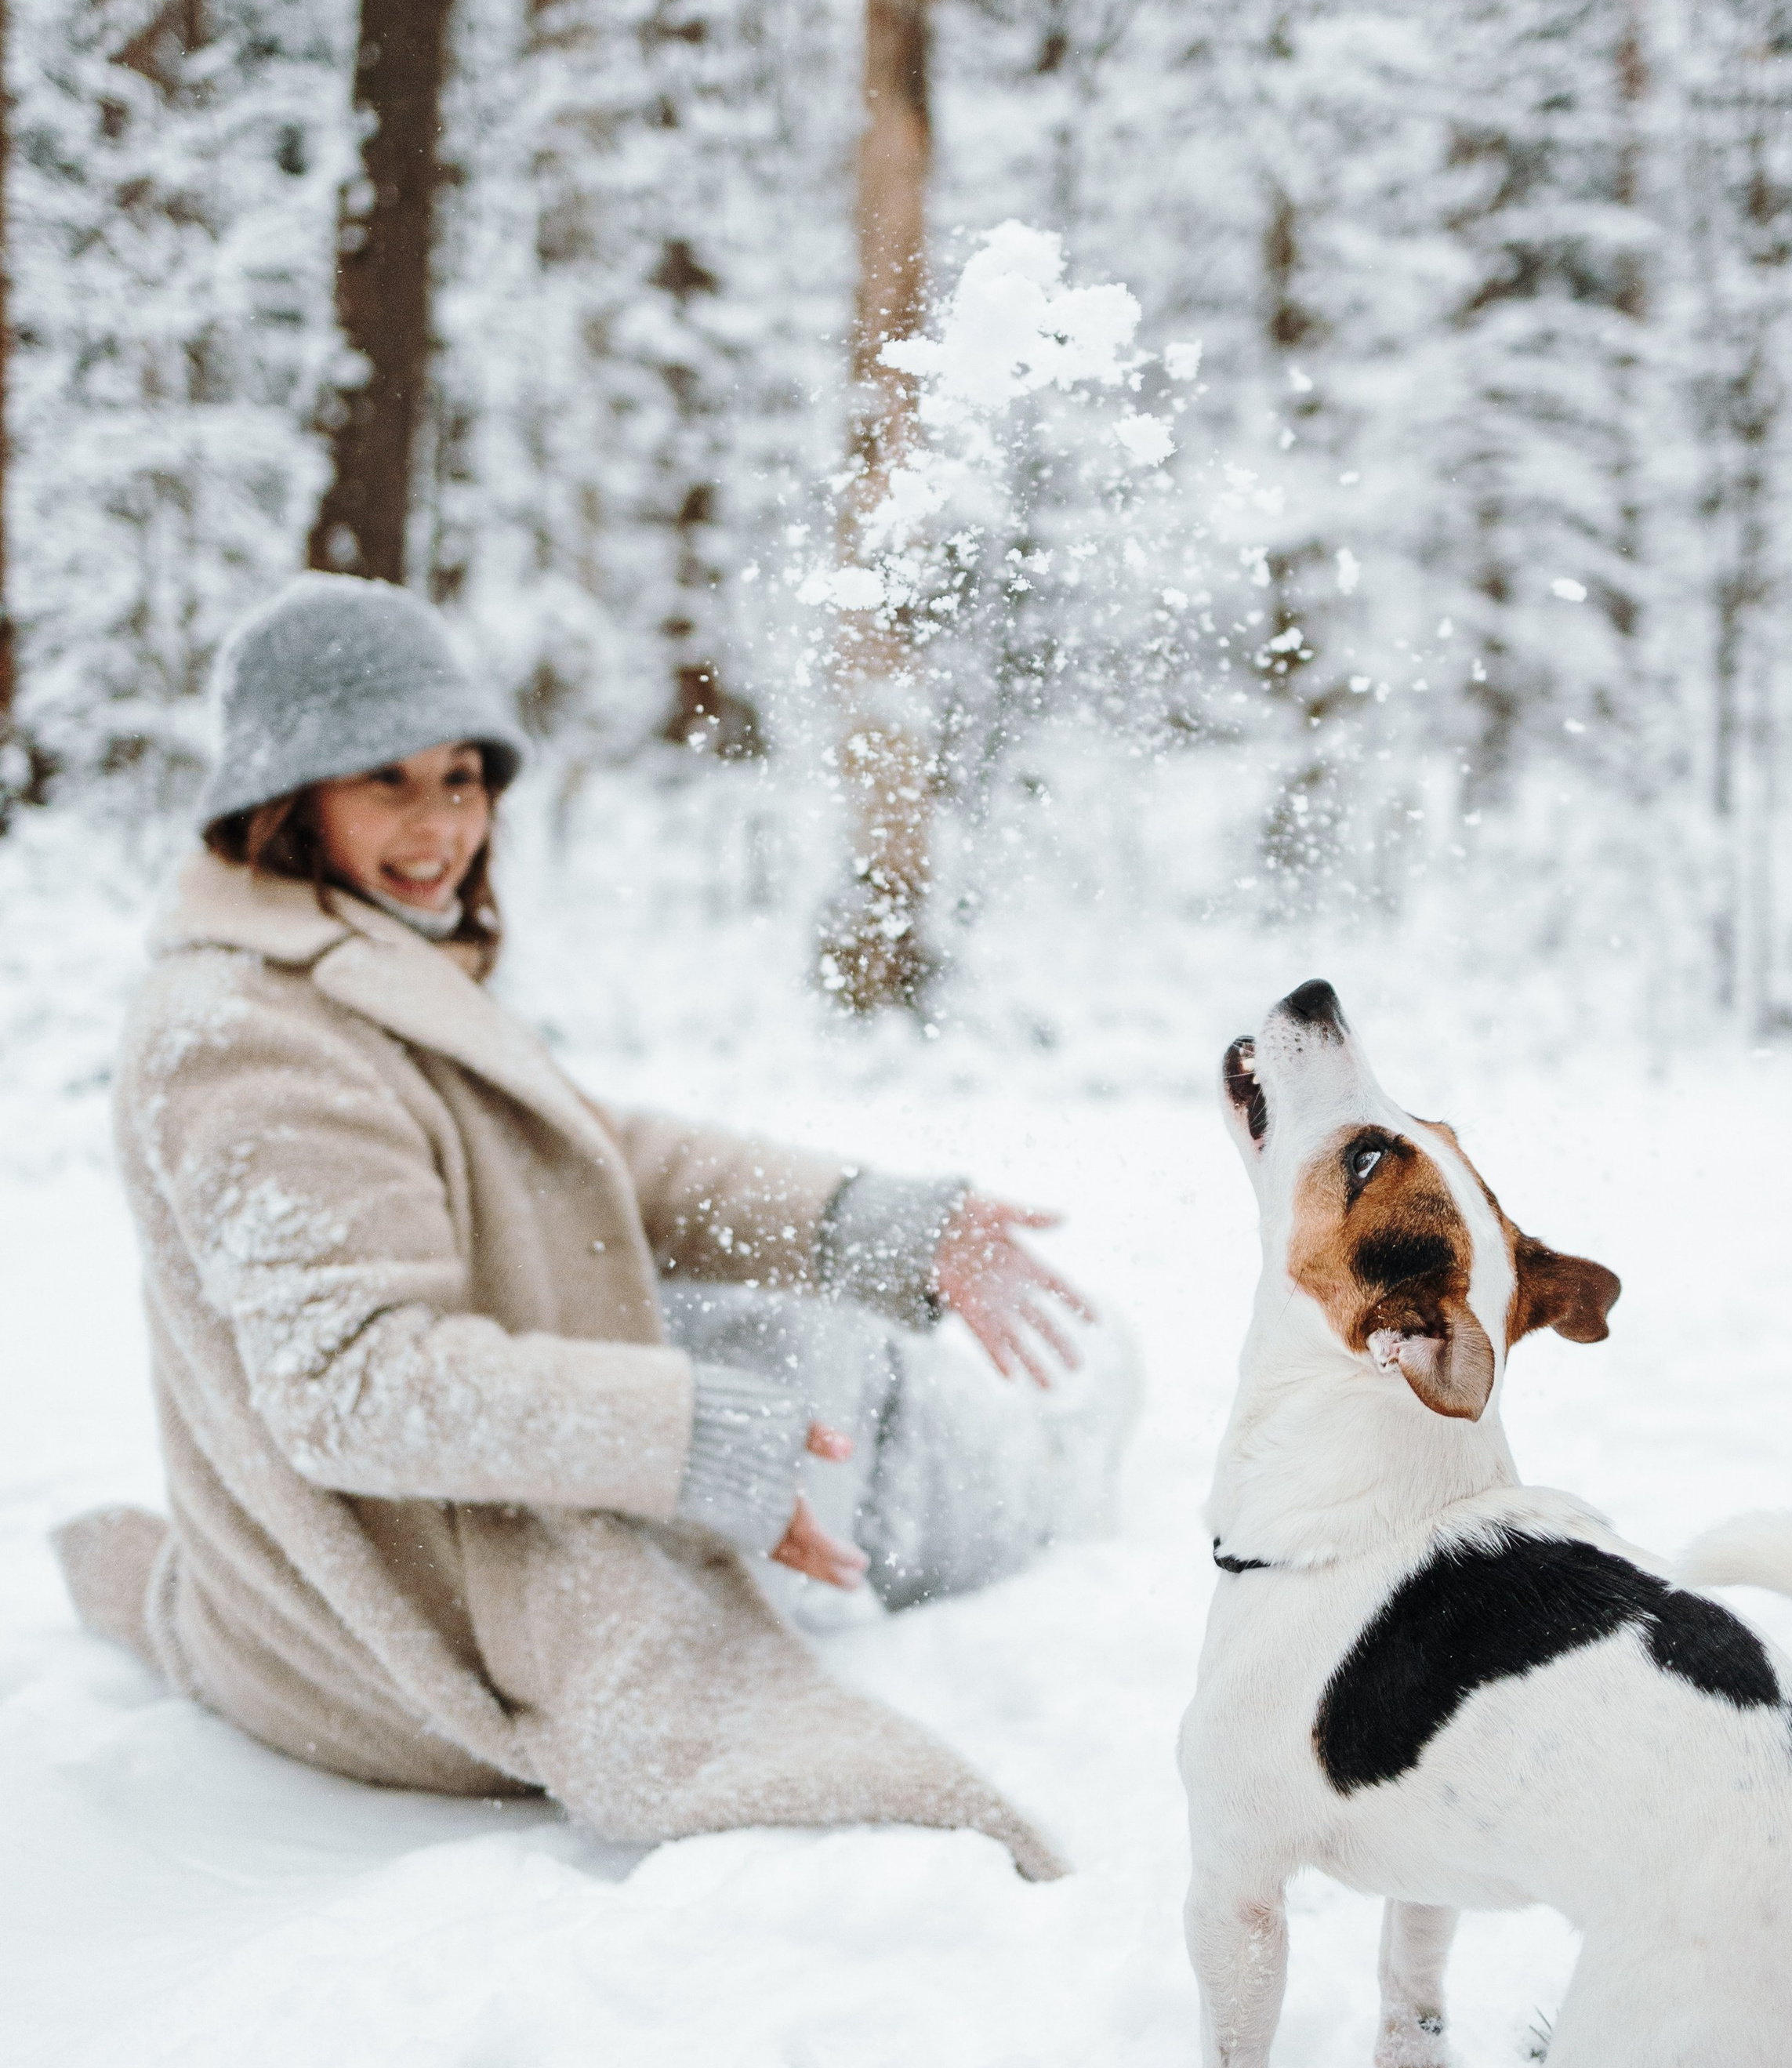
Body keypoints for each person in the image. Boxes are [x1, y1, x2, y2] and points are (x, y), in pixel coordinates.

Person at [53, 576, 1132, 1875]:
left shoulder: (341, 965)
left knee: (779, 1329)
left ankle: (1017, 1467)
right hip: (409, 1628)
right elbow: (355, 1386)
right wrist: (697, 1441)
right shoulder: (247, 1036)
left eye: (461, 778)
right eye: (386, 781)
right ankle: (1041, 1489)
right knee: (795, 1361)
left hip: (409, 1556)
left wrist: (866, 1223)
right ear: (283, 795)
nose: (440, 827)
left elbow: (597, 1159)